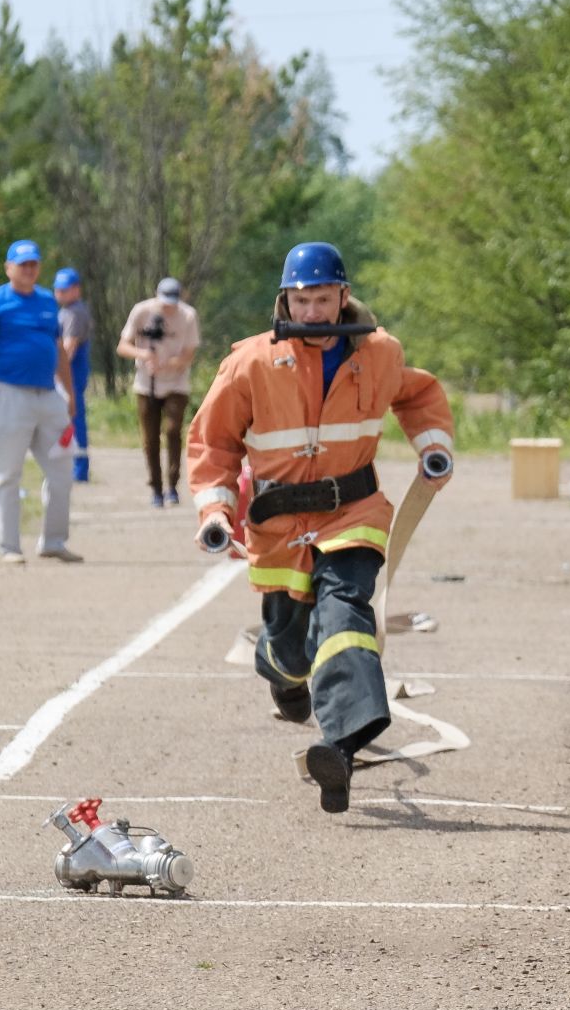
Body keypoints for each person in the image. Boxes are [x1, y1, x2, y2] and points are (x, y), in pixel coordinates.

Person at [187, 243, 454, 815]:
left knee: (346, 614)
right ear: (285, 298)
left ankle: (340, 744)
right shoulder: (250, 363)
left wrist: (433, 448)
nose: (311, 311)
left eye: (323, 298)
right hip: (278, 526)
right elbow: (213, 443)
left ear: (343, 296)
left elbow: (419, 394)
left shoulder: (380, 353)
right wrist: (214, 512)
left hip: (353, 513)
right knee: (288, 645)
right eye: (301, 300)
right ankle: (282, 673)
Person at [0, 239, 80, 565]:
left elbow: (58, 352)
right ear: (8, 268)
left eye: (34, 264)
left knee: (62, 469)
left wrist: (69, 394)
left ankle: (53, 541)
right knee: (8, 473)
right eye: (22, 264)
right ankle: (9, 547)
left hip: (48, 395)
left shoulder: (46, 300)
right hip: (11, 393)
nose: (29, 270)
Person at [118, 277, 202, 507]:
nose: (168, 307)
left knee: (173, 430)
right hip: (146, 383)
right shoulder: (141, 311)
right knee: (150, 438)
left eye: (172, 302)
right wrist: (144, 355)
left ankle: (173, 485)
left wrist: (170, 363)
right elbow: (122, 346)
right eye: (164, 302)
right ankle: (155, 487)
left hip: (176, 382)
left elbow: (189, 353)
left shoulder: (187, 315)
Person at [54, 268, 93, 483]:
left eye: (65, 289)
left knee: (74, 418)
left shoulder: (74, 312)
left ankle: (79, 470)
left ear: (76, 290)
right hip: (68, 374)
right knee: (68, 419)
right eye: (57, 289)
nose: (60, 293)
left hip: (72, 374)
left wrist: (54, 372)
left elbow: (68, 348)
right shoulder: (66, 310)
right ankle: (73, 467)